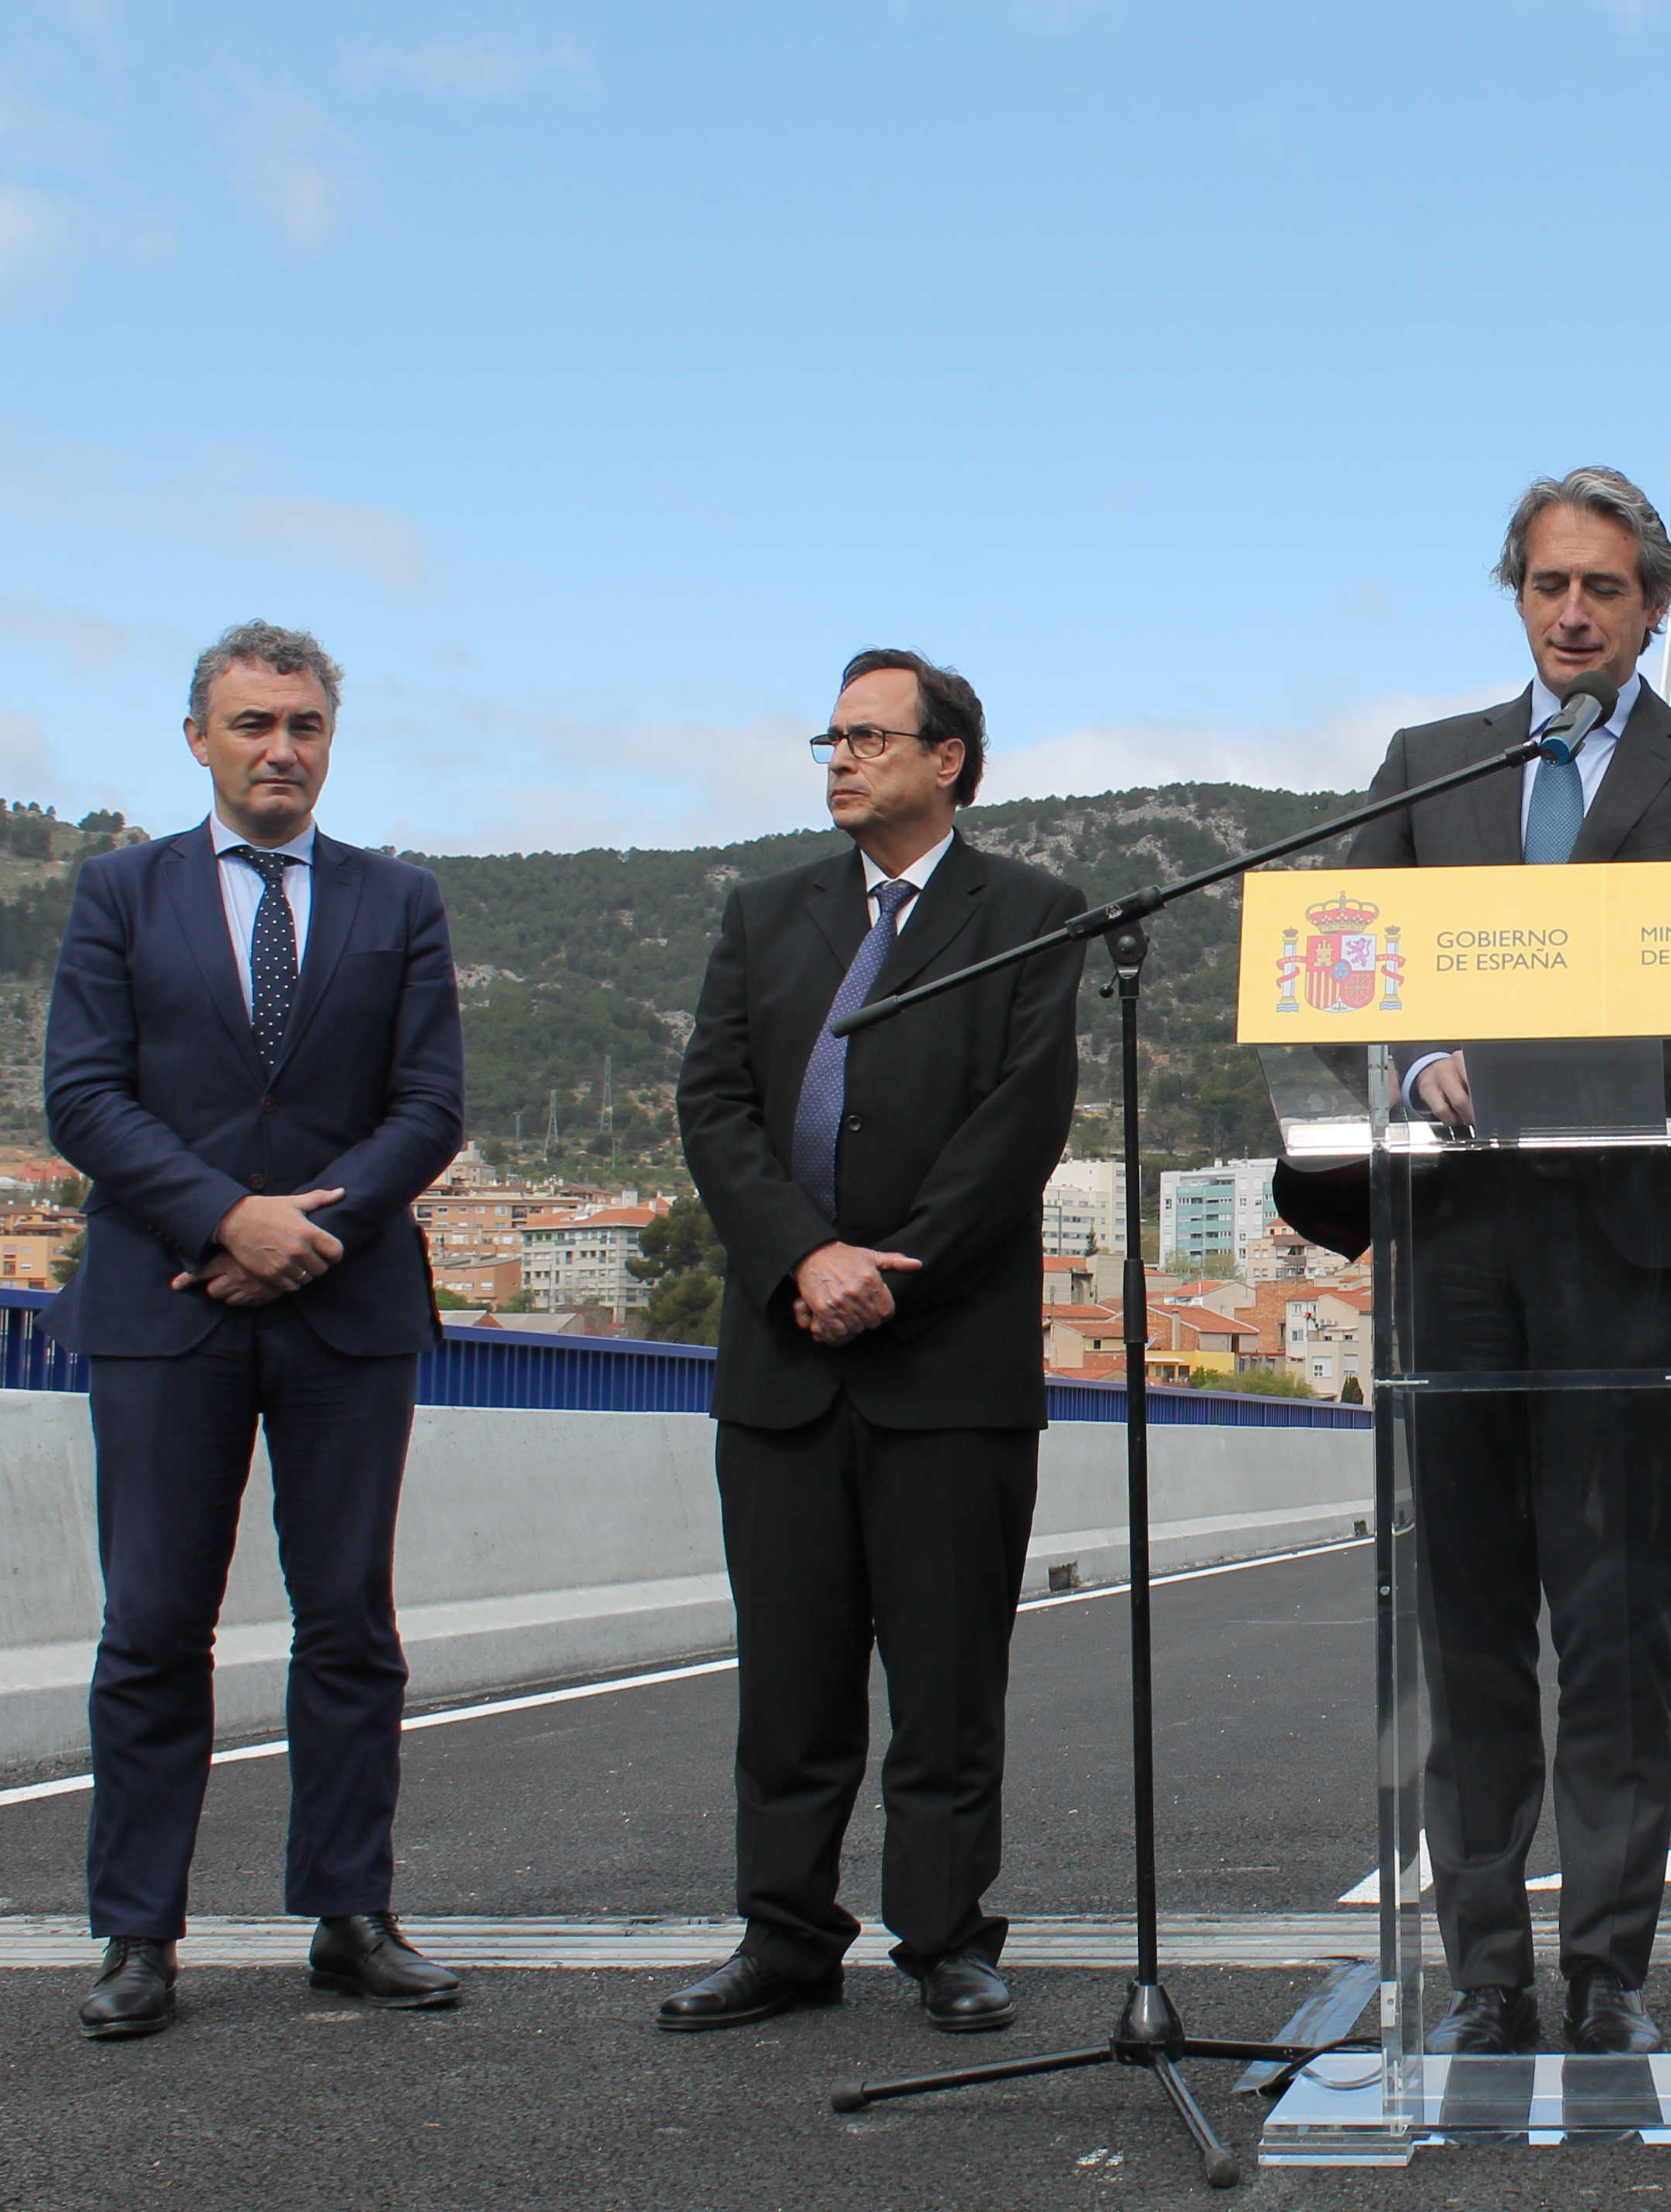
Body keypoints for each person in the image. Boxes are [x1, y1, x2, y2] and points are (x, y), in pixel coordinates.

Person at [1324, 467, 1671, 2057]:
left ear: (1652, 605)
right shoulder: (1426, 766)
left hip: (1612, 1255)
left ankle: (1605, 1966)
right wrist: (1411, 1060)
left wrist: (1592, 1043)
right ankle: (1482, 1969)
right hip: (1450, 1255)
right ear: (1516, 597)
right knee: (1462, 1638)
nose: (1575, 611)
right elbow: (1342, 977)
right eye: (1548, 586)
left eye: (1605, 587)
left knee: (1607, 1632)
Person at [41, 620, 469, 2039]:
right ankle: (135, 1935)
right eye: (251, 726)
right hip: (165, 1308)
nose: (280, 749)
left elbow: (429, 1107)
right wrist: (230, 1220)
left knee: (349, 1623)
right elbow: (85, 1098)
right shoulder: (118, 893)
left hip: (347, 1312)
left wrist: (309, 1233)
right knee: (154, 1623)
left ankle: (351, 1915)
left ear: (329, 741)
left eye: (303, 726)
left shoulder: (398, 901)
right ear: (198, 740)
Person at [663, 649, 1085, 2035]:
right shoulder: (765, 913)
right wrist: (804, 1256)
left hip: (944, 1366)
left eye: (869, 737)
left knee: (950, 1686)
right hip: (784, 1358)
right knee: (789, 1682)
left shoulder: (1030, 914)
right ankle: (784, 1936)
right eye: (830, 739)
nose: (841, 760)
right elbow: (715, 1103)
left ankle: (947, 1940)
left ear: (947, 758)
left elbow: (1015, 1132)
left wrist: (888, 1275)